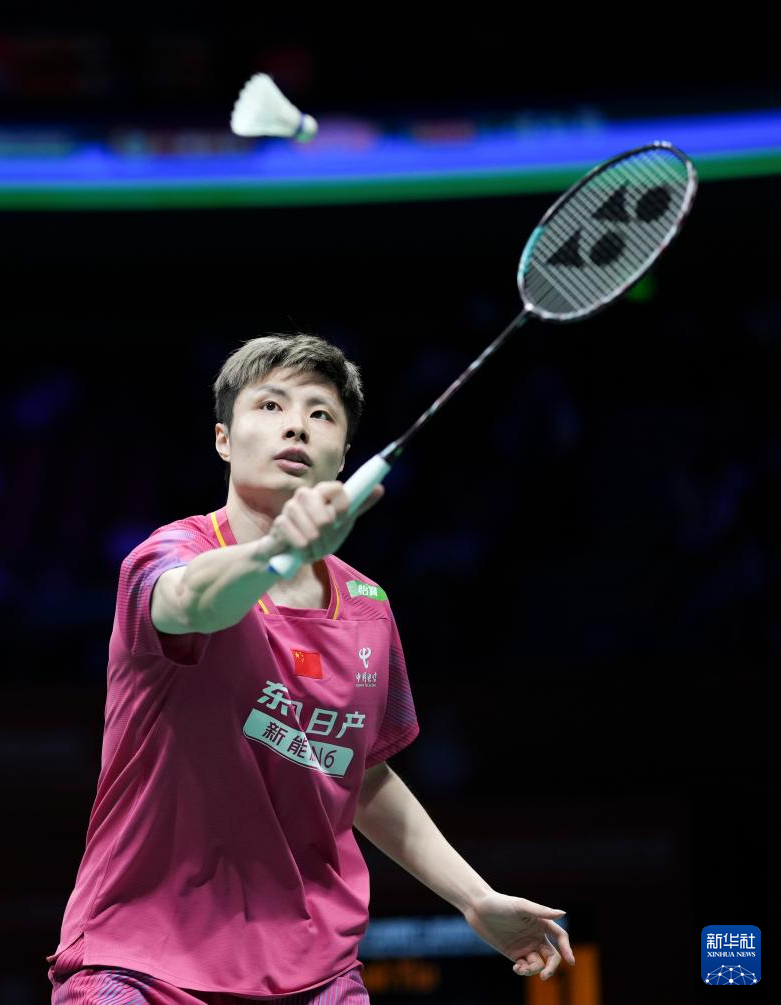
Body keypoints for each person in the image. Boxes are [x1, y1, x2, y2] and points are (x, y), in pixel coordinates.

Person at [45, 333, 575, 1003]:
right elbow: (194, 601)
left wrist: (474, 897)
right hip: (142, 960)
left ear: (344, 457)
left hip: (316, 971)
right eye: (270, 405)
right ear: (223, 440)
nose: (296, 424)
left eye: (321, 413)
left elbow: (360, 773)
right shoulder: (168, 556)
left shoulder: (368, 606)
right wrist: (278, 551)